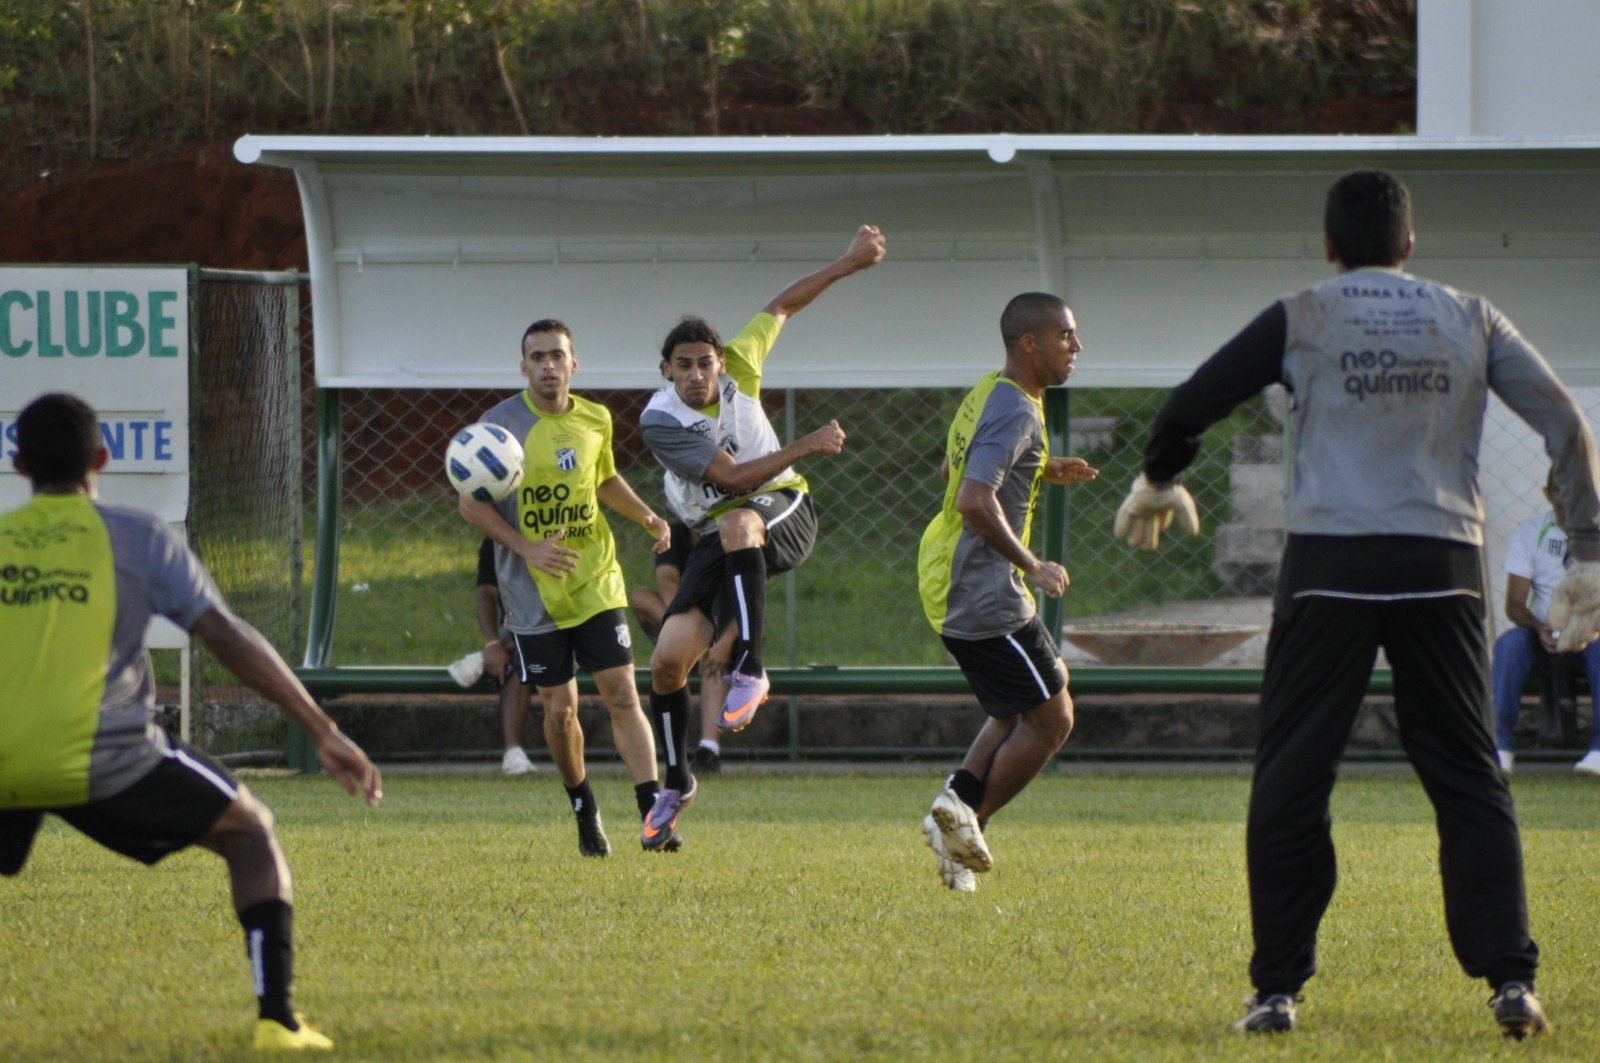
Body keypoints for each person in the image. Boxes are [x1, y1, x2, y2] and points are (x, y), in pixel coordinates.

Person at [1115, 170, 1600, 1038]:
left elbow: (1194, 400)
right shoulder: (1473, 315)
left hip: (1329, 563)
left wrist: (1158, 475)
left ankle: (1275, 990)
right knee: (1466, 775)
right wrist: (1592, 548)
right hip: (1442, 562)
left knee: (1294, 776)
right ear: (1410, 246)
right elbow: (1566, 422)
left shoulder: (1305, 312)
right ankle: (1512, 982)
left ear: (1330, 246)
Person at [0, 392, 383, 1052]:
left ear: (18, 463)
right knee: (252, 831)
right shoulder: (141, 537)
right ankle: (277, 1020)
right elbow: (226, 636)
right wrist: (321, 727)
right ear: (101, 458)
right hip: (105, 758)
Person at [637, 223, 886, 848]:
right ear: (665, 370)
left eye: (706, 363)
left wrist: (847, 262)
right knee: (667, 663)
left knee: (740, 518)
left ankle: (752, 664)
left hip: (784, 511)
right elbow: (732, 475)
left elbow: (782, 304)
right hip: (718, 532)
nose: (698, 375)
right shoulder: (661, 421)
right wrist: (810, 441)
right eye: (684, 366)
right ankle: (676, 782)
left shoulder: (738, 368)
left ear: (721, 362)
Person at [459, 318, 675, 857]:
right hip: (531, 594)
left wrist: (646, 516)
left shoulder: (596, 419)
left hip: (596, 580)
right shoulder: (500, 426)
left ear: (574, 363)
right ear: (524, 366)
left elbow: (603, 481)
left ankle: (653, 816)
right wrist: (528, 547)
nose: (548, 365)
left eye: (558, 355)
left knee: (624, 692)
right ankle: (584, 808)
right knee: (560, 711)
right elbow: (470, 504)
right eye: (538, 357)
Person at [916, 292, 1098, 893]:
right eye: (1066, 336)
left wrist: (1039, 465)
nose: (1076, 347)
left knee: (1017, 706)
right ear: (1031, 343)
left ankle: (956, 812)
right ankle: (966, 823)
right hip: (984, 588)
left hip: (951, 575)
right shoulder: (1019, 410)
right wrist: (1034, 564)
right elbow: (972, 497)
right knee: (1052, 719)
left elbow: (953, 470)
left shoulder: (990, 393)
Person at [1492, 471, 1600, 775]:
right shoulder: (1531, 533)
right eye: (1558, 490)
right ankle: (1501, 747)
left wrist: (1588, 628)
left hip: (1591, 636)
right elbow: (1514, 603)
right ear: (1547, 494)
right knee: (1508, 645)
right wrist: (1539, 629)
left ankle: (1598, 750)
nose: (1566, 499)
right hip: (1542, 635)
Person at [627, 520, 735, 773]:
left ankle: (708, 751)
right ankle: (674, 759)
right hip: (688, 616)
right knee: (641, 595)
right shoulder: (676, 531)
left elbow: (749, 601)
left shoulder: (736, 529)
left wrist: (721, 642)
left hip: (727, 625)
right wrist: (689, 634)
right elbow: (668, 585)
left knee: (714, 661)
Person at [451, 536, 539, 775]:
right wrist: (492, 643)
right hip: (516, 633)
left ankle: (489, 654)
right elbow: (487, 593)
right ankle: (513, 754)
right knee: (515, 652)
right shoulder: (497, 537)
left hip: (568, 629)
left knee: (526, 637)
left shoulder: (565, 532)